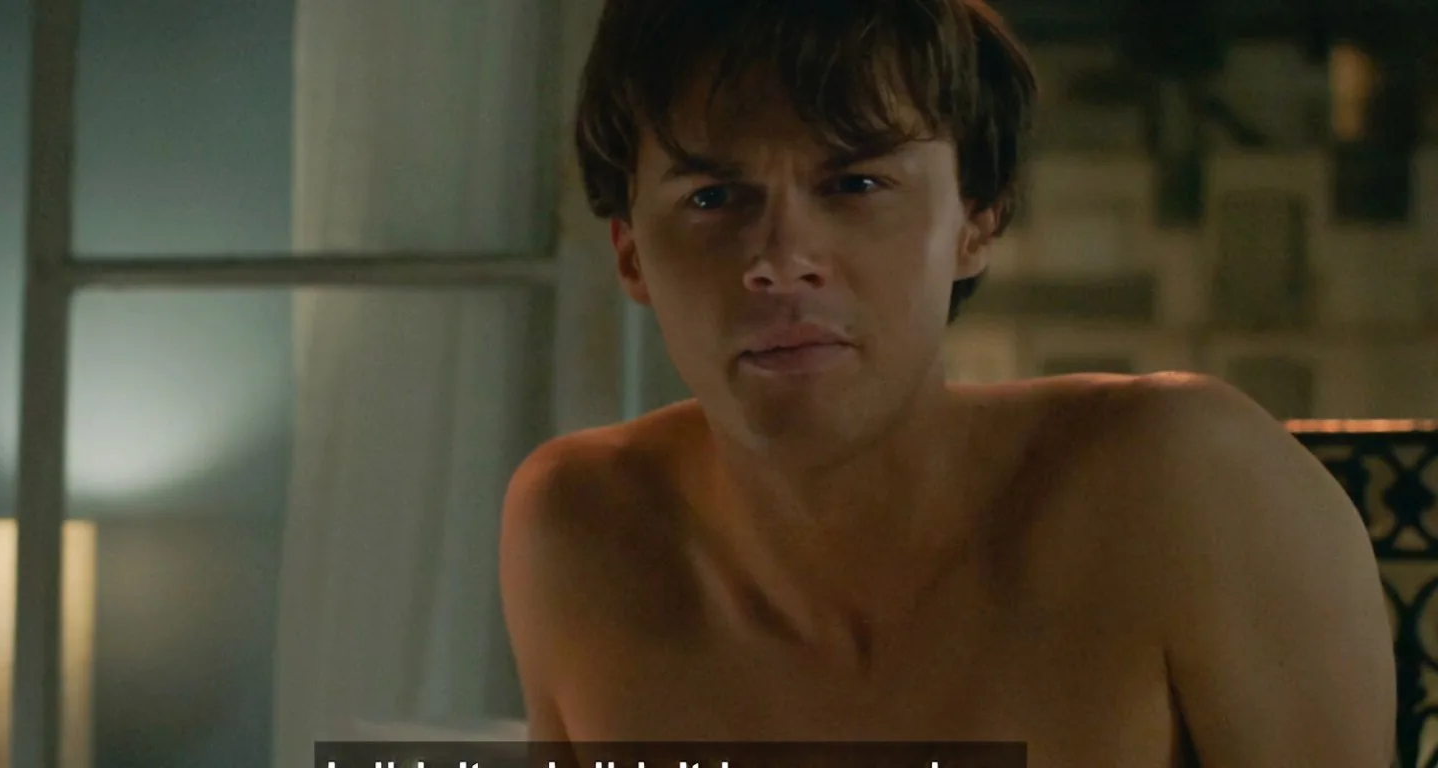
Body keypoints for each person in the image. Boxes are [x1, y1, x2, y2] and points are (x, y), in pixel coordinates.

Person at [499, 0, 1395, 764]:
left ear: (977, 220)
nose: (780, 259)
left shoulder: (1183, 485)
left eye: (854, 183)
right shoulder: (583, 530)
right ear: (630, 254)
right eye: (712, 198)